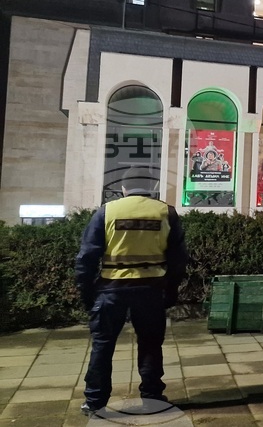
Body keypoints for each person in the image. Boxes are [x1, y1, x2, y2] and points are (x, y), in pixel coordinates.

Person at [74, 167, 188, 416]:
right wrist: (171, 290)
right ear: (153, 186)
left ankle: (95, 402)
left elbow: (86, 257)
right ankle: (152, 397)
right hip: (151, 290)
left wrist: (87, 294)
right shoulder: (166, 212)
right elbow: (178, 259)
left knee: (103, 346)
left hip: (111, 289)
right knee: (150, 344)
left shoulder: (107, 212)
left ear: (123, 188)